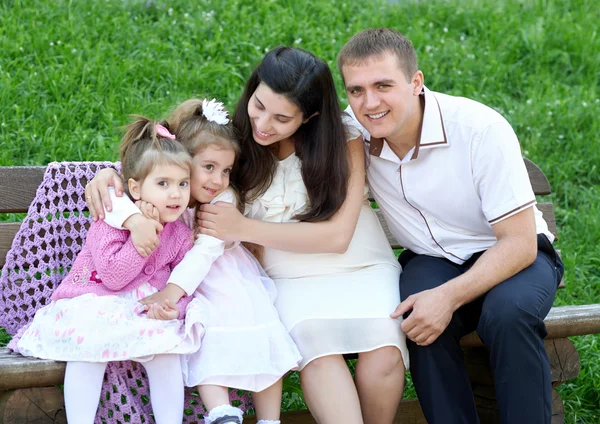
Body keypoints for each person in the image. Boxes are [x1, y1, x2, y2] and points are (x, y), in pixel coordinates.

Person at [87, 48, 409, 424]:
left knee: (383, 350)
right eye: (259, 105)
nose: (264, 123)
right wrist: (108, 174)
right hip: (288, 278)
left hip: (362, 265)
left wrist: (241, 228)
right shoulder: (236, 139)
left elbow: (338, 237)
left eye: (282, 117)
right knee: (317, 346)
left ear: (311, 117)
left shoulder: (343, 140)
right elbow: (161, 153)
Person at [337, 28, 565, 424]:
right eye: (356, 90)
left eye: (383, 85)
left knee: (508, 315)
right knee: (419, 319)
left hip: (512, 255)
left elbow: (519, 244)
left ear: (415, 82)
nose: (369, 103)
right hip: (432, 258)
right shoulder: (354, 134)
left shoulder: (479, 129)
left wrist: (448, 297)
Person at [88, 98, 301, 424]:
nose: (217, 179)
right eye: (209, 168)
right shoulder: (173, 191)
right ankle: (220, 412)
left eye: (226, 170)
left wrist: (170, 294)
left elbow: (203, 254)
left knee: (260, 335)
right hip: (185, 286)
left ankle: (269, 419)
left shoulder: (221, 201)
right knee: (204, 337)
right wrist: (110, 180)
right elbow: (130, 192)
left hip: (223, 280)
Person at [17, 117, 203, 424]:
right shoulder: (110, 220)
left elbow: (184, 284)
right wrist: (142, 237)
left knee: (168, 353)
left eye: (182, 184)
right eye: (163, 184)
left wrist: (173, 308)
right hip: (95, 301)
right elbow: (115, 277)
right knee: (88, 351)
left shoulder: (180, 234)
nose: (175, 194)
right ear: (135, 187)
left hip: (142, 309)